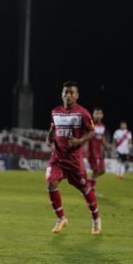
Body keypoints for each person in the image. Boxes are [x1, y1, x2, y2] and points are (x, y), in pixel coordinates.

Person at [45, 81, 102, 235]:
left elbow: (91, 132)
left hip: (74, 161)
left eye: (71, 93)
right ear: (62, 94)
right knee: (51, 183)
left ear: (77, 96)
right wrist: (49, 137)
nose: (68, 95)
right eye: (65, 92)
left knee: (85, 189)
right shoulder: (55, 111)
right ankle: (61, 218)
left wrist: (79, 141)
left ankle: (96, 220)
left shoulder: (83, 113)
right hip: (57, 158)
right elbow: (53, 127)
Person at [87, 107, 110, 190]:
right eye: (96, 113)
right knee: (96, 170)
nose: (98, 115)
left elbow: (102, 139)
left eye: (99, 113)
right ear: (93, 115)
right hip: (91, 152)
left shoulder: (102, 126)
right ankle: (91, 188)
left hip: (99, 153)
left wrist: (107, 148)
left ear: (102, 115)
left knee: (102, 170)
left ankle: (89, 182)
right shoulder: (90, 124)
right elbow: (85, 137)